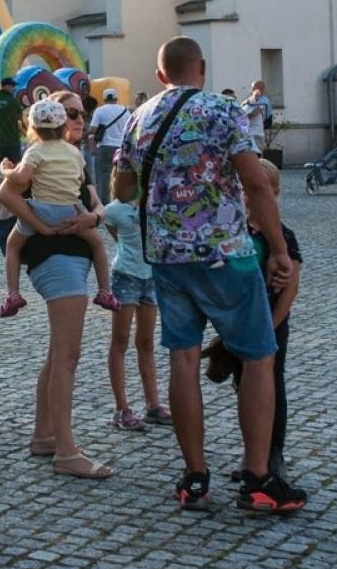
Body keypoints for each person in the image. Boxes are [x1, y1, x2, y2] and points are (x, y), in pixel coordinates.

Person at [113, 36, 305, 513]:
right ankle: (259, 479)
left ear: (160, 75)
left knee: (182, 359)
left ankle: (195, 477)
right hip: (225, 255)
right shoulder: (221, 111)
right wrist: (278, 250)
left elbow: (121, 186)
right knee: (259, 356)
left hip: (166, 258)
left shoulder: (139, 117)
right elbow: (255, 180)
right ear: (201, 67)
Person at [0, 88, 114, 480]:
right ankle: (66, 451)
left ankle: (45, 436)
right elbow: (5, 192)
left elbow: (97, 206)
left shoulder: (73, 159)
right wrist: (43, 224)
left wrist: (91, 220)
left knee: (56, 353)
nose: (79, 119)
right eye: (71, 113)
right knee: (67, 357)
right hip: (56, 258)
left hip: (72, 254)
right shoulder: (43, 158)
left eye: (81, 113)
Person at [208, 160, 303, 485]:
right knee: (243, 384)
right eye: (244, 191)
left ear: (274, 195)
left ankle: (272, 456)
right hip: (237, 322)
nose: (251, 199)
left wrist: (271, 325)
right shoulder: (235, 229)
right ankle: (251, 454)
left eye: (260, 192)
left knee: (271, 384)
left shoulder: (283, 235)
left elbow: (291, 285)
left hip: (271, 323)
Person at [0, 99, 118, 317]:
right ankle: (105, 291)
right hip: (71, 213)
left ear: (33, 128)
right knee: (99, 244)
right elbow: (80, 178)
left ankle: (12, 294)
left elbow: (21, 177)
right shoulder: (74, 153)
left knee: (13, 245)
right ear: (63, 127)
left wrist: (5, 170)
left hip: (41, 210)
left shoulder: (34, 152)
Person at [103, 193, 167, 431]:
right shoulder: (114, 210)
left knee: (147, 342)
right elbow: (114, 233)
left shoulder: (155, 201)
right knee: (120, 341)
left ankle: (153, 404)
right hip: (126, 276)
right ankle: (122, 408)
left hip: (151, 276)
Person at [88, 88, 132, 202]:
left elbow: (93, 129)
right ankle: (119, 202)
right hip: (121, 148)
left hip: (104, 146)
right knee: (120, 176)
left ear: (104, 99)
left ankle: (104, 204)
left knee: (103, 177)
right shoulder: (125, 110)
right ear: (116, 98)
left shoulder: (100, 111)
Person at [0, 78, 24, 177]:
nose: (13, 88)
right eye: (12, 86)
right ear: (6, 86)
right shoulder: (13, 101)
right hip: (12, 138)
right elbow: (20, 117)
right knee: (14, 166)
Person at [242, 81, 271, 152]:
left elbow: (252, 114)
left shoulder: (263, 101)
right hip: (248, 134)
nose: (251, 90)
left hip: (256, 133)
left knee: (257, 154)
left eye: (253, 88)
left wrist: (243, 117)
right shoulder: (247, 103)